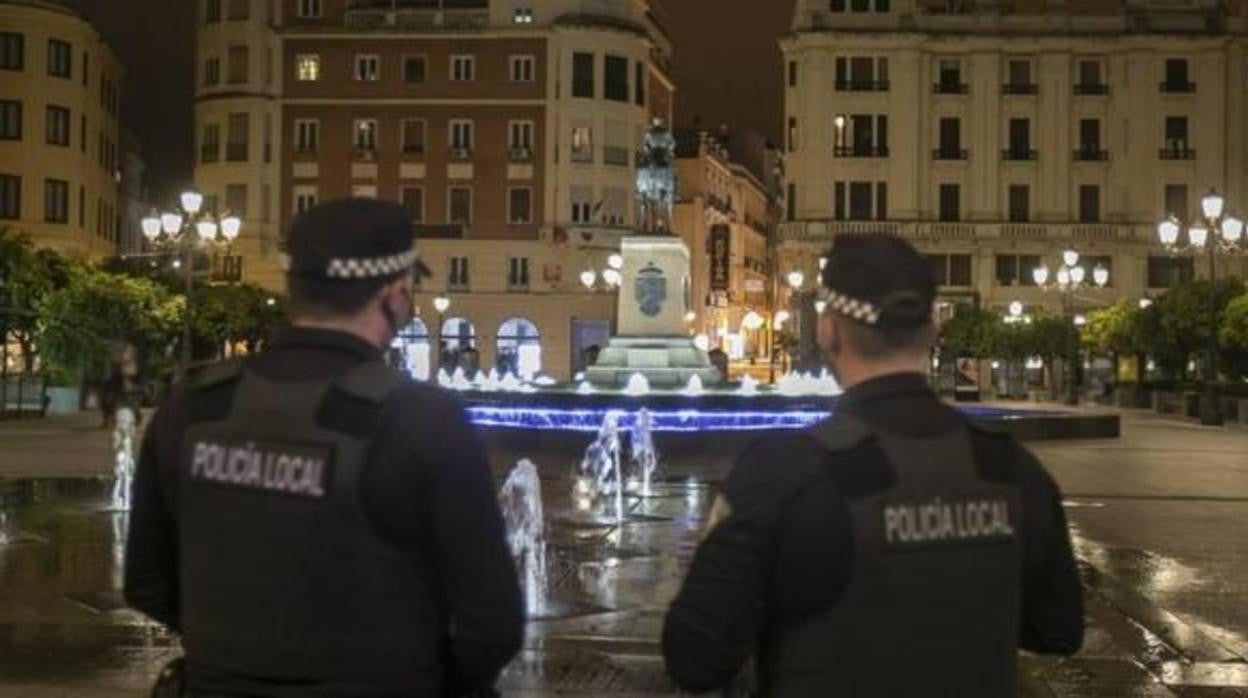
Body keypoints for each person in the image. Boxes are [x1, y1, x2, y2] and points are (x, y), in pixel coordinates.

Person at [125, 198, 524, 697]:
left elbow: (145, 582)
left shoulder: (191, 407)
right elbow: (493, 625)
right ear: (396, 293)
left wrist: (241, 652)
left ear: (294, 287)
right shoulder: (424, 421)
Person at [662, 233, 1083, 696]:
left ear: (828, 330)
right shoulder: (1012, 468)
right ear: (931, 330)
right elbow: (1059, 630)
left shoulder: (783, 473)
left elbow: (695, 659)